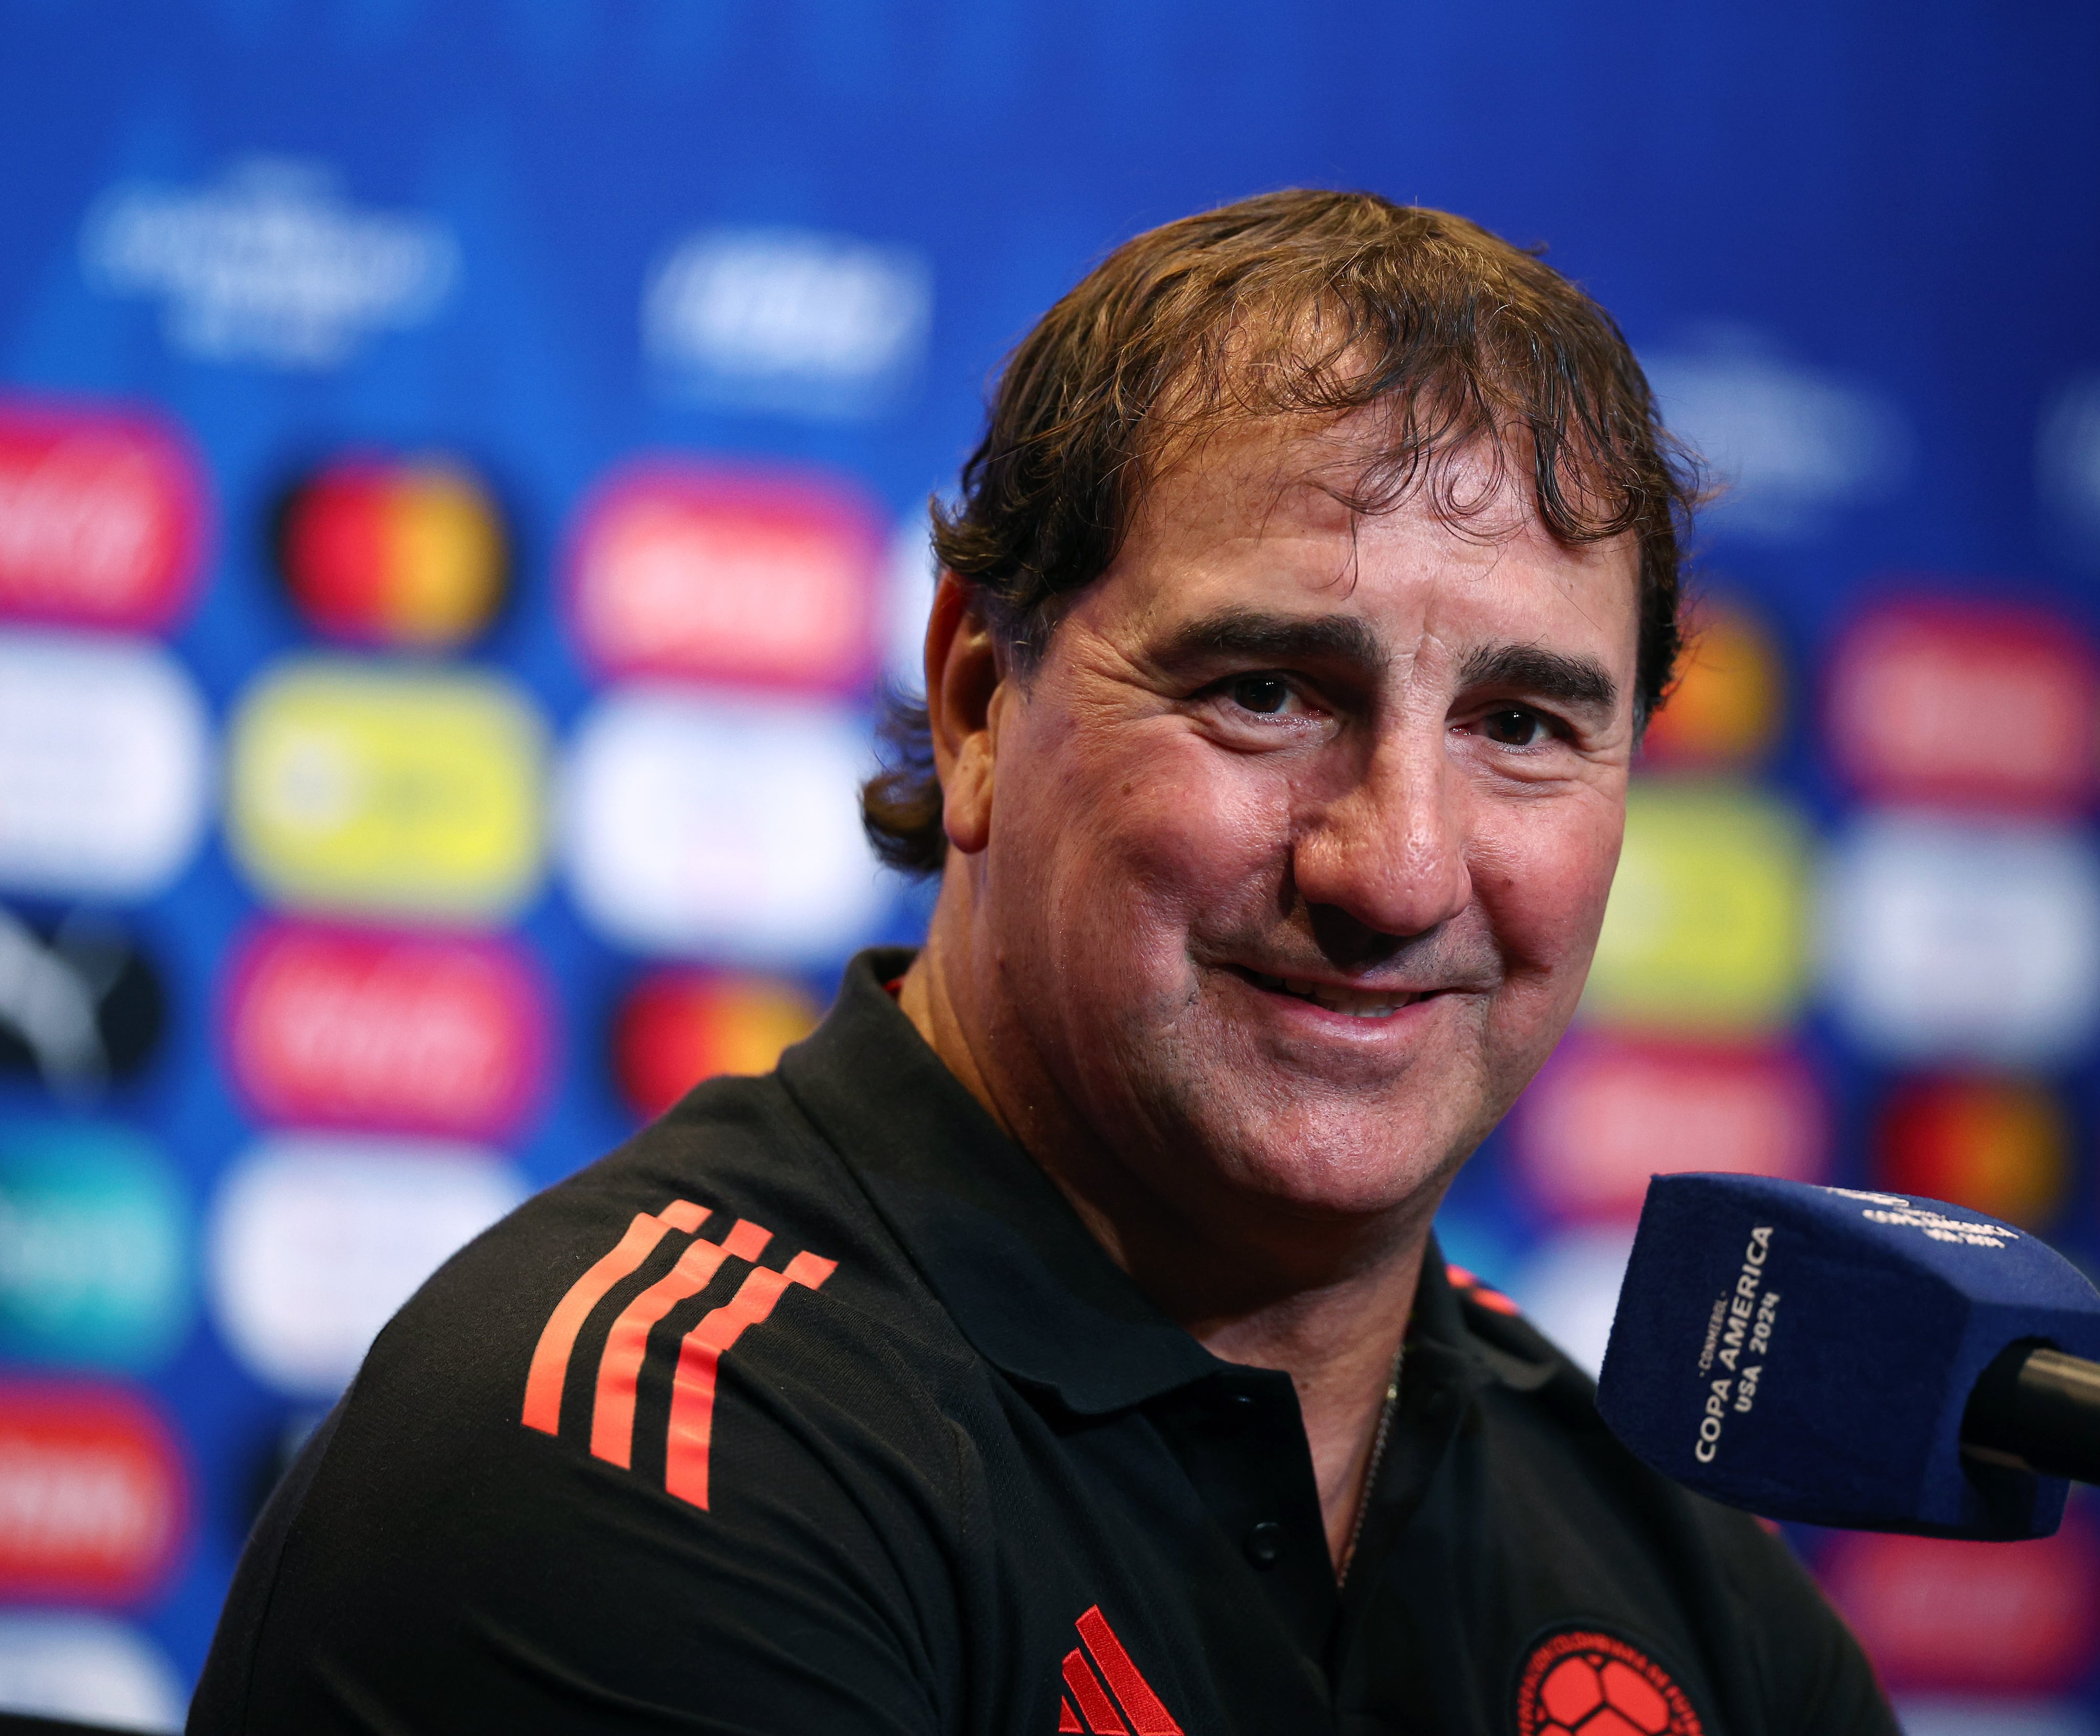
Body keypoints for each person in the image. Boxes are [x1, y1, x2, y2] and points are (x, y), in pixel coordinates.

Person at [190, 189, 1897, 1735]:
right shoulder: (633, 1454)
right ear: (979, 703)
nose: (1397, 866)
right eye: (1269, 693)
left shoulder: (1671, 1565)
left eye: (1523, 727)